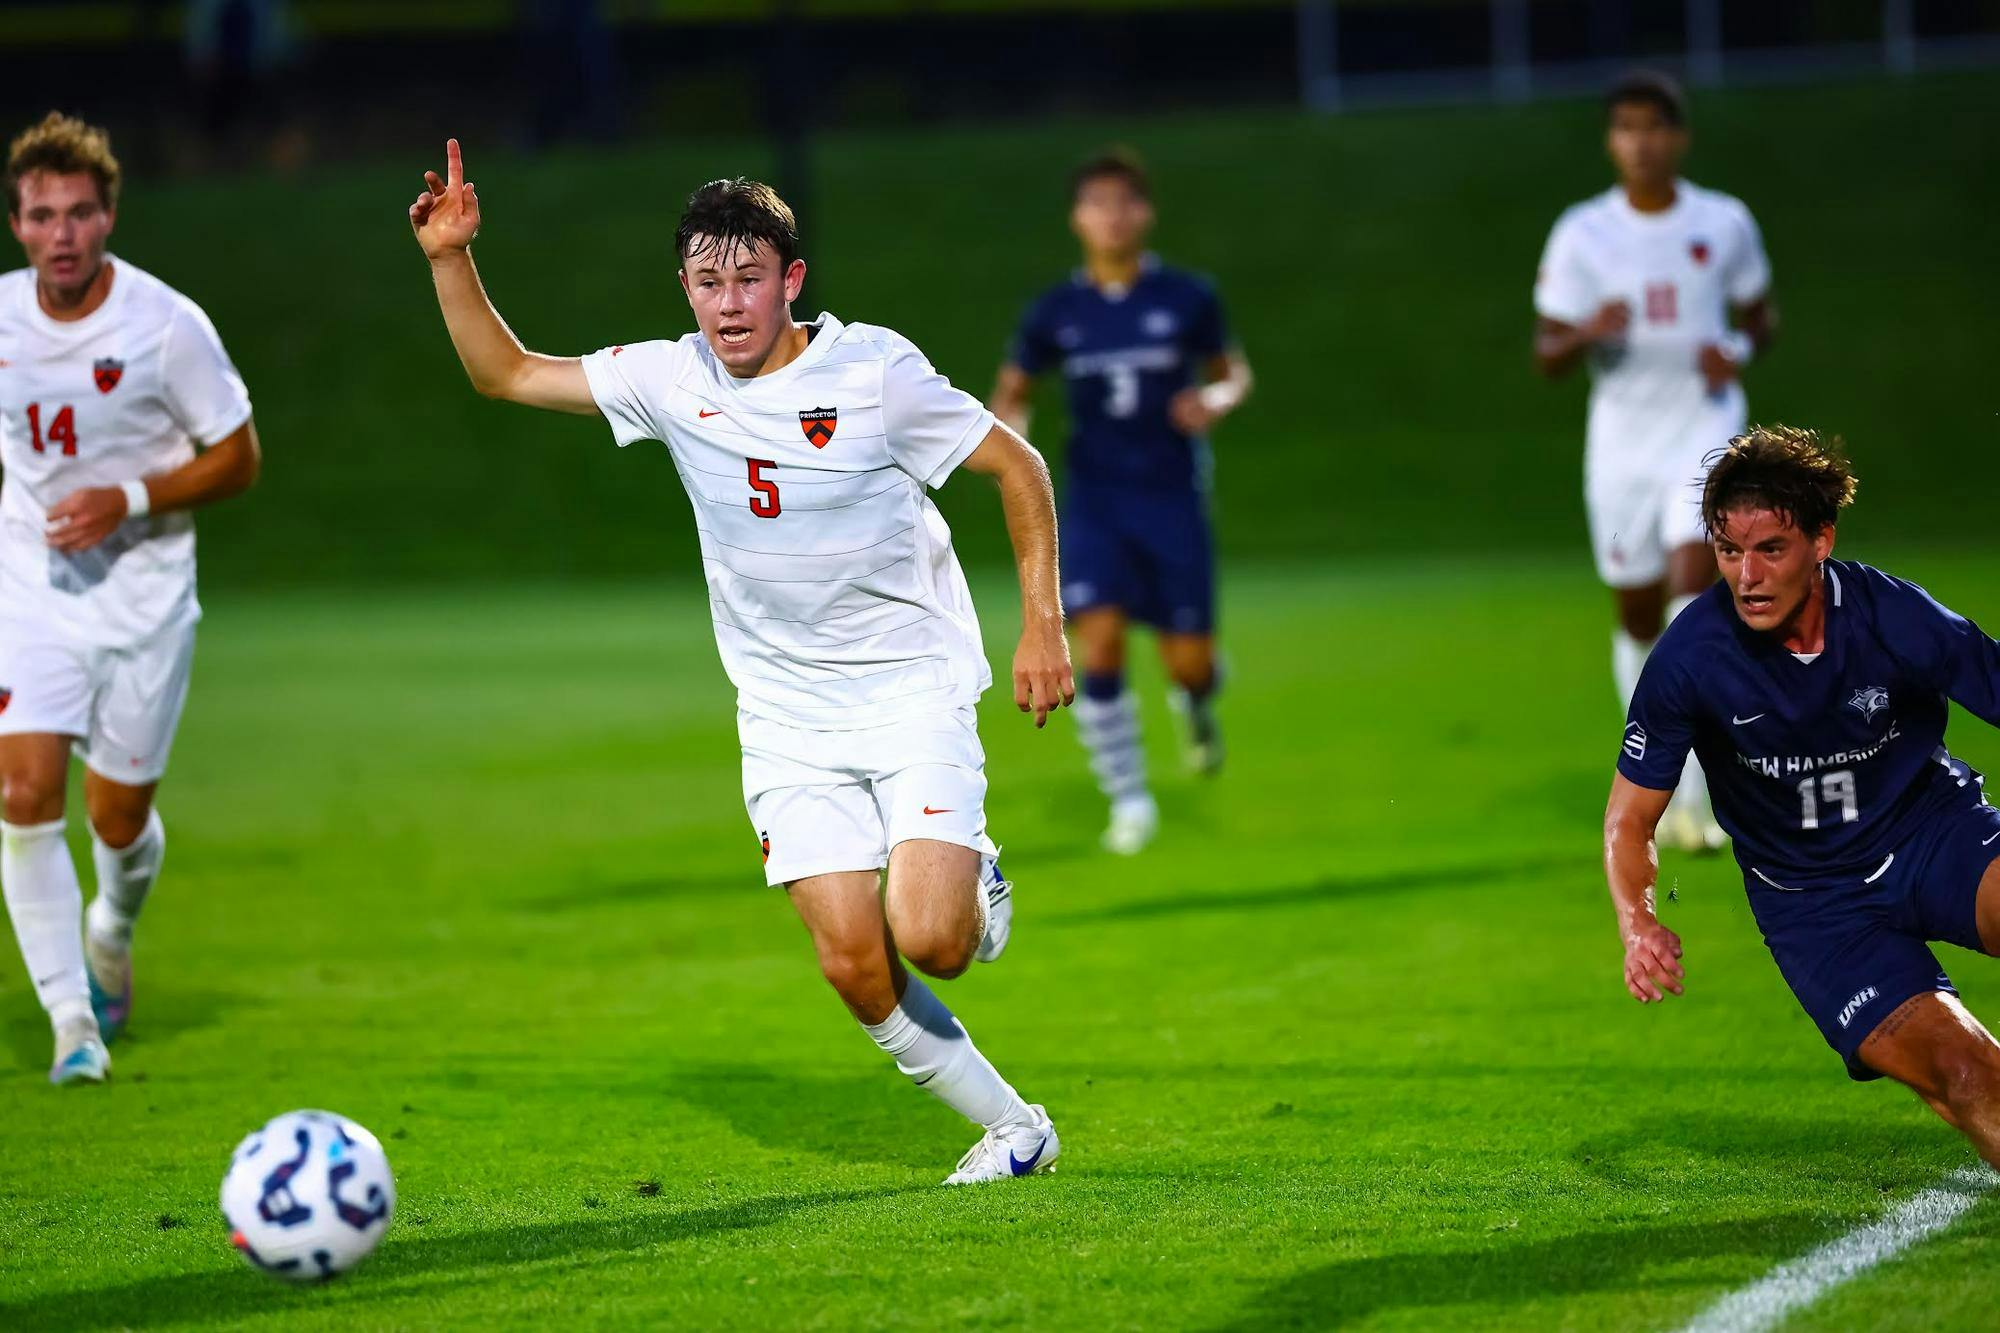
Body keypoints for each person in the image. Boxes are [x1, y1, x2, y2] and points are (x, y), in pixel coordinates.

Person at [409, 141, 1072, 1185]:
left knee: (934, 940)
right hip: (783, 715)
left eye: (749, 278)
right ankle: (1013, 1128)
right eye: (708, 281)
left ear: (791, 281)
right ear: (684, 285)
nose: (728, 304)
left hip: (908, 689)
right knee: (854, 962)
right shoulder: (669, 379)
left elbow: (1016, 464)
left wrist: (1043, 623)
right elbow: (506, 372)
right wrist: (451, 257)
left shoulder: (872, 374)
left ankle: (970, 874)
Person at [1606, 425, 2000, 1167]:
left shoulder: (1892, 616)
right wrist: (1639, 922)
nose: (1747, 575)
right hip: (1817, 908)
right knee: (1961, 1072)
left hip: (1932, 835)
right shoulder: (1691, 659)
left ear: (1822, 541)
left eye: (1770, 549)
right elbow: (1628, 821)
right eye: (1728, 551)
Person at [0, 112, 261, 1084]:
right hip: (28, 589)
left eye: (78, 212)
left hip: (145, 598)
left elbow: (239, 458)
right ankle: (74, 1023)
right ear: (19, 225)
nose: (60, 233)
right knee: (23, 794)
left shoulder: (164, 327)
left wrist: (131, 497)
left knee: (116, 819)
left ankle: (110, 927)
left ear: (108, 216)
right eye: (40, 215)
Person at [1535, 69, 1776, 853]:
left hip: (1703, 428)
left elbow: (1760, 316)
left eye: (1656, 126)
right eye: (1627, 128)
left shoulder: (1723, 220)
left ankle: (1697, 806)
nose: (1642, 142)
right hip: (1620, 444)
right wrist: (1584, 331)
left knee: (1691, 589)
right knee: (1638, 615)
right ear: (1612, 142)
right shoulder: (1583, 233)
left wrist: (1734, 349)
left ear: (1680, 136)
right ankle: (1666, 782)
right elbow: (1547, 352)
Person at [991, 150, 1250, 856]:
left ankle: (1197, 700)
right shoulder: (1056, 311)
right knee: (1096, 641)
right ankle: (1130, 801)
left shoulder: (1188, 297)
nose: (1111, 216)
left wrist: (1216, 400)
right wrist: (1005, 441)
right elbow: (1013, 392)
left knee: (1189, 664)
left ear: (1145, 212)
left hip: (1171, 500)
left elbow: (1234, 372)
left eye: (1124, 202)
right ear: (1077, 218)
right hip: (1094, 501)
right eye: (1097, 203)